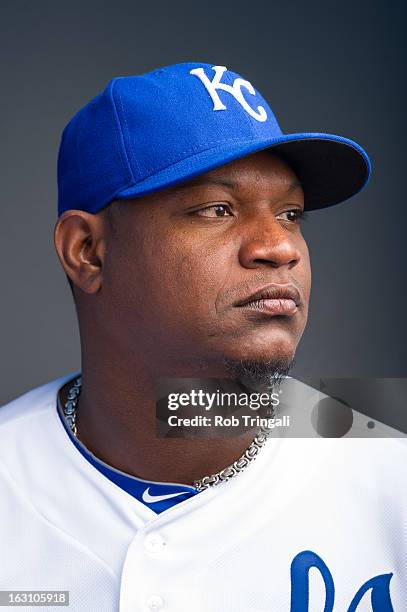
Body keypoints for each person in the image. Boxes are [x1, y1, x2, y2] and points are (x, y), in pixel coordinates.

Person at [0, 62, 405, 611]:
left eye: (291, 214)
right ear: (87, 251)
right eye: (218, 209)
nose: (278, 246)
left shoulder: (389, 471)